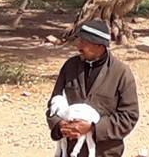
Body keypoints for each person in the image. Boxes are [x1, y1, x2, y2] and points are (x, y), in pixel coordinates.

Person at [46, 19, 139, 157]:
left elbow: (129, 116)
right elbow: (54, 104)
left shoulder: (121, 73)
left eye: (84, 42)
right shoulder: (70, 67)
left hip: (105, 153)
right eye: (79, 41)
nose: (78, 46)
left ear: (100, 45)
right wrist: (60, 125)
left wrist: (93, 128)